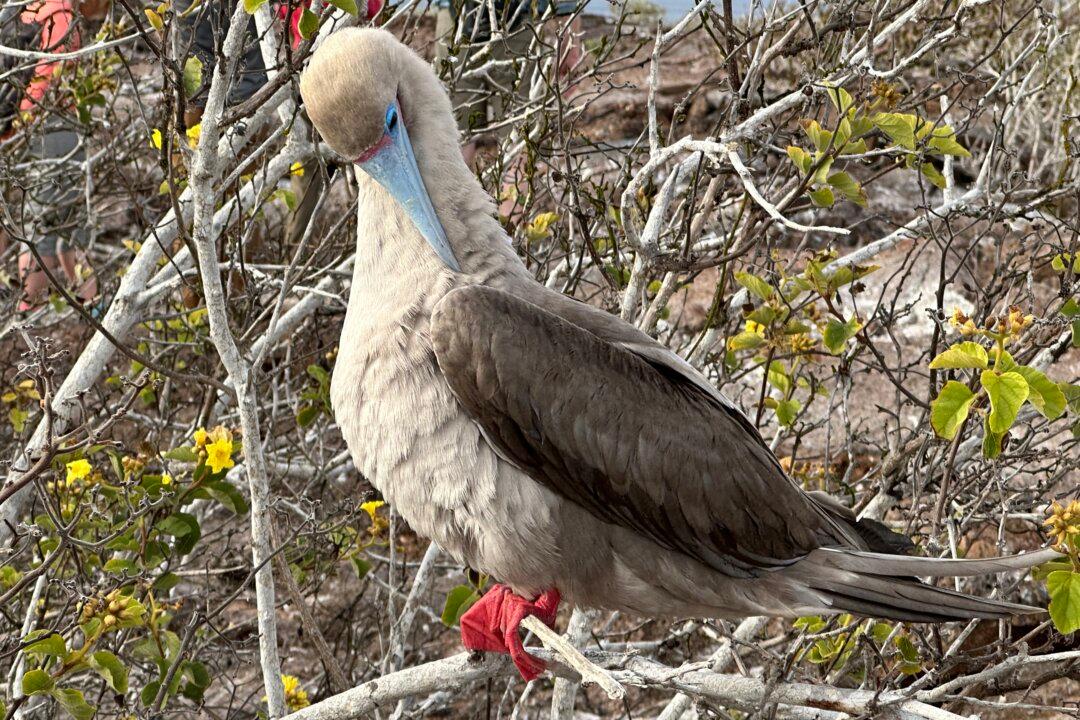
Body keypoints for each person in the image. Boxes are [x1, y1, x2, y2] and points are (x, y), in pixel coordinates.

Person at [3, 0, 110, 312]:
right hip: (51, 130)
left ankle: (89, 305)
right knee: (50, 230)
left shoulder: (21, 7)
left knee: (60, 223)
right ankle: (30, 313)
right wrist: (29, 121)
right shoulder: (60, 15)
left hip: (17, 131)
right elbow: (48, 78)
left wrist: (14, 131)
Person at [434, 0, 582, 219]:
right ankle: (462, 237)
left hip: (517, 20)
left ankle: (509, 237)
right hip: (457, 19)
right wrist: (571, 30)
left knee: (521, 148)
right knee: (454, 144)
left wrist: (571, 30)